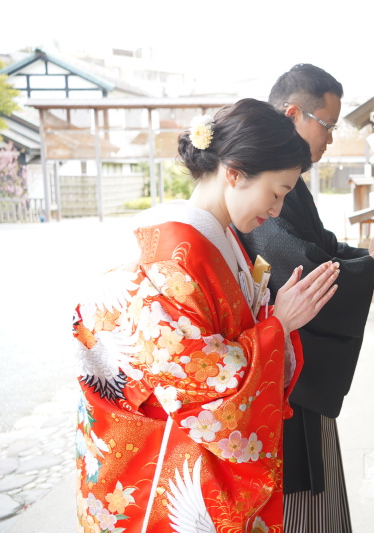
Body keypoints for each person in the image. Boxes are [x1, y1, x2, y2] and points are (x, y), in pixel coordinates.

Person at [72, 98, 340, 532]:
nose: (275, 211)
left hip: (182, 440)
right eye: (276, 194)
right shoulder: (172, 253)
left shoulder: (217, 241)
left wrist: (272, 319)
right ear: (233, 172)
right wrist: (279, 326)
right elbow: (197, 375)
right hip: (160, 451)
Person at [238, 64, 374, 531]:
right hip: (283, 370)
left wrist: (367, 256)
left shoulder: (290, 182)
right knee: (302, 501)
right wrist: (371, 266)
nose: (331, 139)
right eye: (328, 125)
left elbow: (320, 244)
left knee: (319, 490)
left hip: (295, 361)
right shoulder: (262, 180)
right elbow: (294, 263)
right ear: (293, 113)